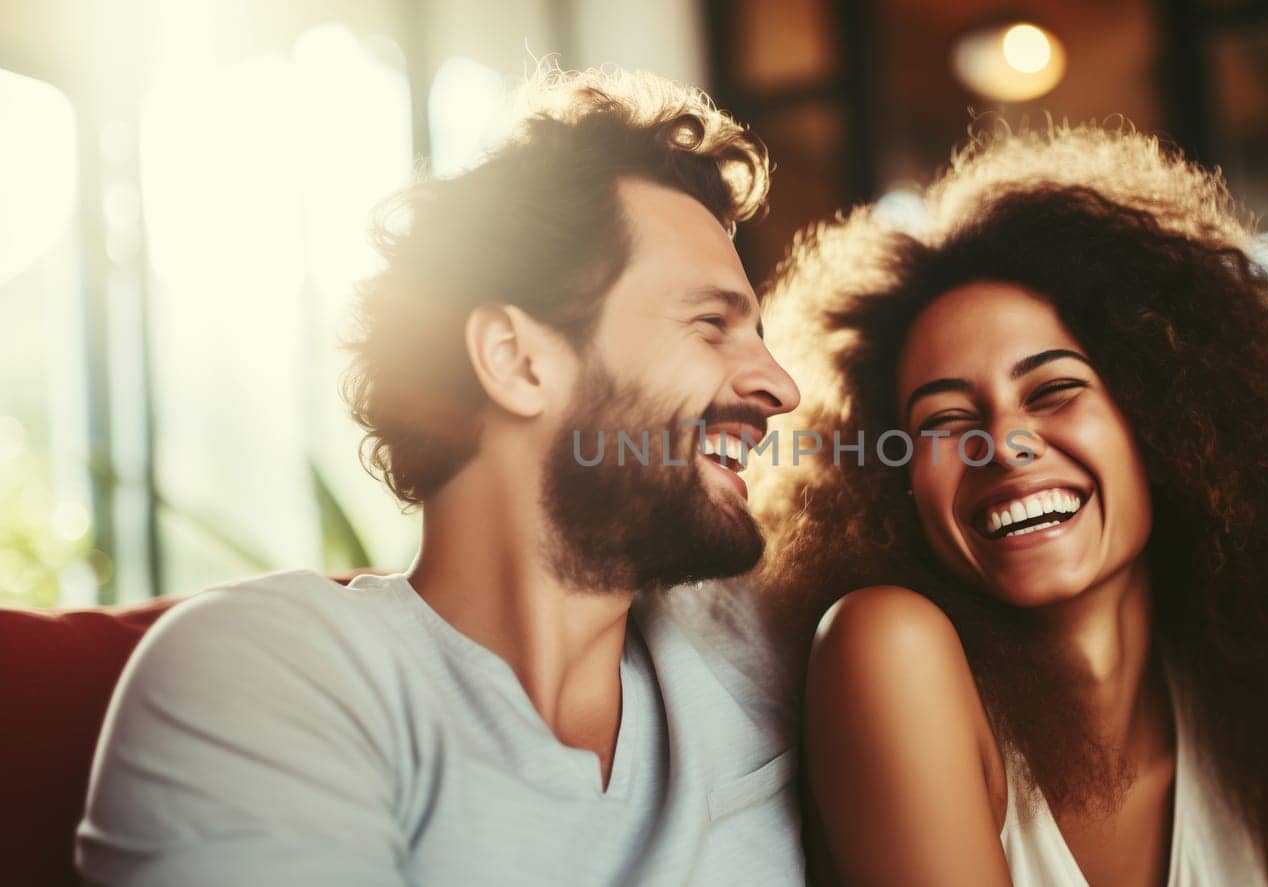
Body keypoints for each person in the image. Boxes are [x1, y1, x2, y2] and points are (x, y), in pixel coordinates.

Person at [77, 67, 805, 886]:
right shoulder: (272, 673)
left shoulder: (766, 646)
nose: (781, 386)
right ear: (516, 359)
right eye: (712, 324)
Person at [751, 123, 1268, 885]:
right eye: (943, 421)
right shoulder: (886, 645)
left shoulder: (1254, 713)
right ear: (893, 482)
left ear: (1163, 420)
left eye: (1053, 390)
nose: (1003, 444)